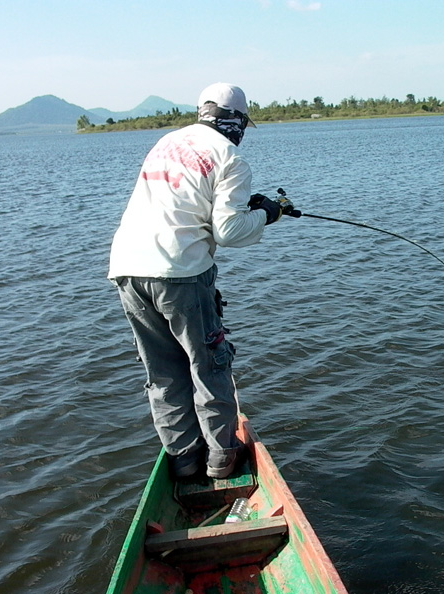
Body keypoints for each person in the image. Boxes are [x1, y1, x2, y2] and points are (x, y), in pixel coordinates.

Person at [108, 83, 287, 480]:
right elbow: (229, 232)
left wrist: (247, 207)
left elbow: (183, 201)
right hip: (181, 274)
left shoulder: (167, 141)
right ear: (237, 121)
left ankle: (184, 460)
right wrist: (268, 214)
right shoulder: (230, 156)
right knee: (208, 364)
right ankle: (223, 458)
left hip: (127, 268)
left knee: (163, 371)